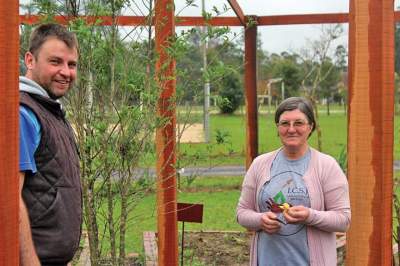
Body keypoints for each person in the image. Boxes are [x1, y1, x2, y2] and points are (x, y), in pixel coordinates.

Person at [236, 97, 350, 266]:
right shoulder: (260, 164)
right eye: (284, 123)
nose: (291, 129)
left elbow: (343, 220)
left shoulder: (326, 166)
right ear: (277, 127)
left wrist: (310, 215)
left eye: (298, 123)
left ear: (310, 127)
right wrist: (260, 220)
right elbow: (242, 212)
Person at [19, 23, 81, 266]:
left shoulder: (47, 109)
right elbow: (10, 198)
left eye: (71, 64)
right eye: (55, 62)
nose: (65, 72)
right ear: (30, 60)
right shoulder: (24, 113)